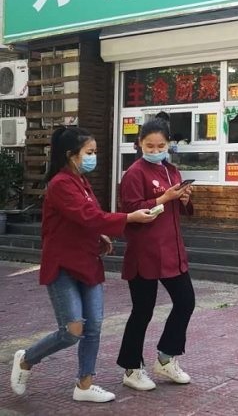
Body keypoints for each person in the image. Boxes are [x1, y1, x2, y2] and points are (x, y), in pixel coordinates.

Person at [10, 126, 156, 402]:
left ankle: (85, 385)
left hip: (87, 262)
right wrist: (129, 218)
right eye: (89, 152)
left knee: (94, 327)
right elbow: (88, 216)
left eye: (94, 152)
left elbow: (86, 218)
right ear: (71, 155)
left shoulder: (81, 181)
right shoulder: (61, 184)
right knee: (72, 330)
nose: (93, 157)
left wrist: (100, 234)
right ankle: (27, 359)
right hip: (63, 265)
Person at [116, 119, 196, 391]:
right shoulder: (134, 173)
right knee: (142, 311)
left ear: (168, 144)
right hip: (145, 251)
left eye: (161, 145)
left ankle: (166, 357)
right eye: (149, 145)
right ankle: (131, 368)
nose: (155, 150)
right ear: (140, 144)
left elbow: (180, 208)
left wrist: (184, 199)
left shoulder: (172, 170)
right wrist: (164, 198)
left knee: (185, 301)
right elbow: (131, 210)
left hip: (172, 249)